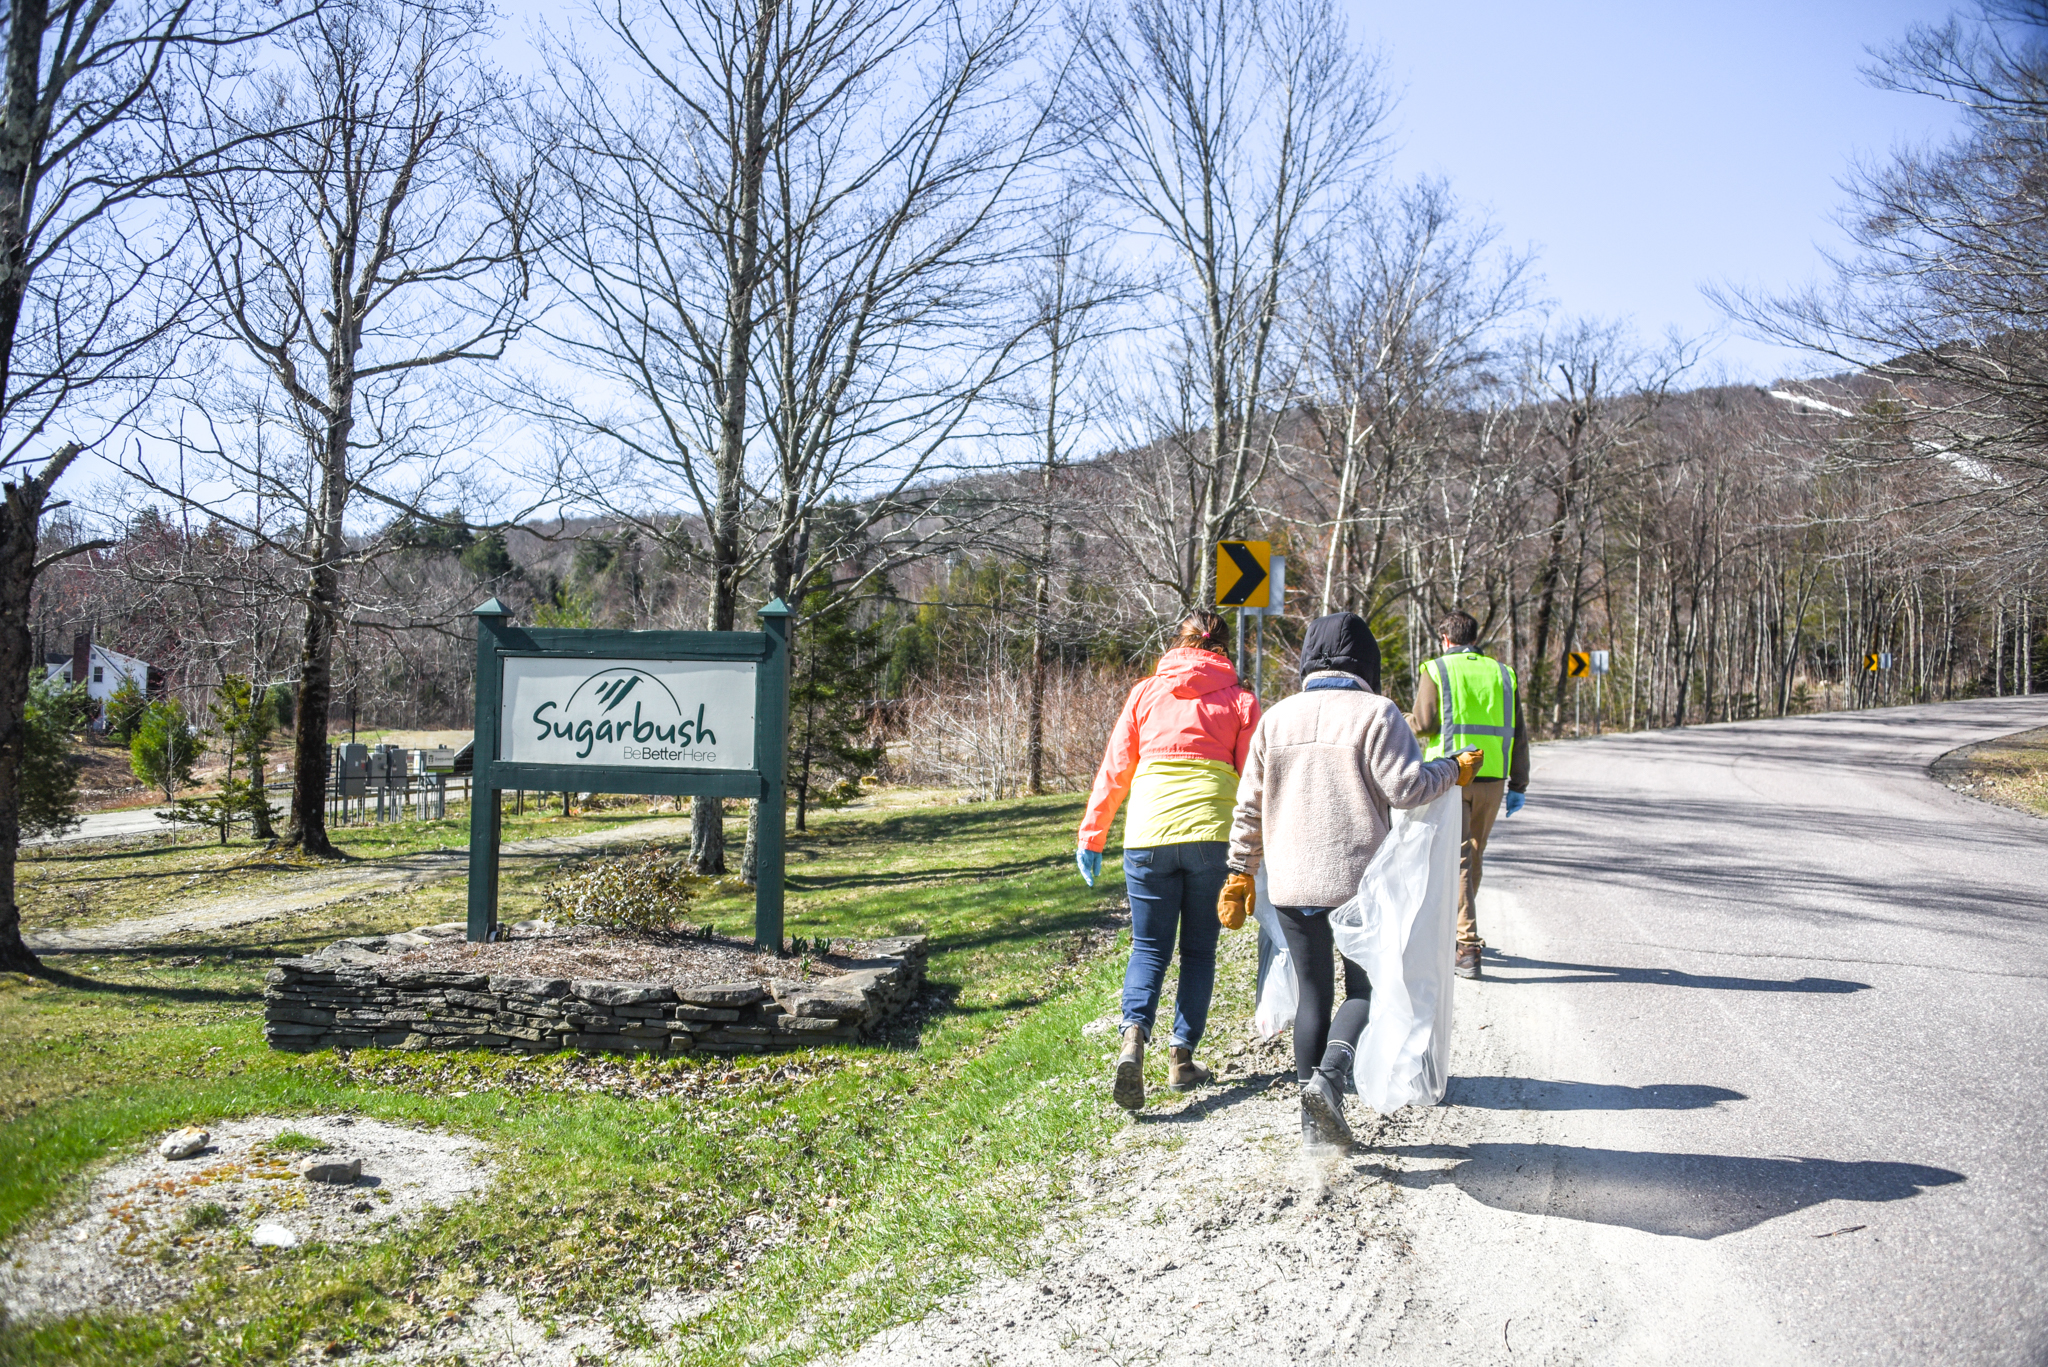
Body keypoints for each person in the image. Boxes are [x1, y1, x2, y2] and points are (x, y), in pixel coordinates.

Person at [1217, 612, 1479, 1148]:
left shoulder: (1277, 719)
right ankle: (1331, 1080)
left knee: (1313, 992)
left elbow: (1248, 807)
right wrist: (1452, 768)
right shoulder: (1377, 713)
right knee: (1365, 990)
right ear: (1366, 661)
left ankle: (1311, 1123)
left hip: (1290, 883)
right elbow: (1407, 787)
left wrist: (1240, 871)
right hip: (1358, 883)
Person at [1079, 611, 1262, 1111]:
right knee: (1199, 951)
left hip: (1148, 834)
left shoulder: (1144, 692)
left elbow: (1116, 768)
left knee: (1149, 947)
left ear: (1175, 643)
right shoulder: (1242, 700)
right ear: (1225, 649)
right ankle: (1181, 1058)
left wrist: (1092, 836)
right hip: (1212, 836)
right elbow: (1254, 780)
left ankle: (1133, 1037)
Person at [1404, 610, 1530, 980]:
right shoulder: (1502, 674)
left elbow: (1424, 723)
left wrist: (1398, 720)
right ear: (1474, 637)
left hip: (1452, 775)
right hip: (1493, 778)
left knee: (1457, 861)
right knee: (1472, 858)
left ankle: (1466, 947)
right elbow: (1519, 733)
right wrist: (1519, 784)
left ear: (1445, 639)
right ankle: (1459, 936)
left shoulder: (1438, 669)